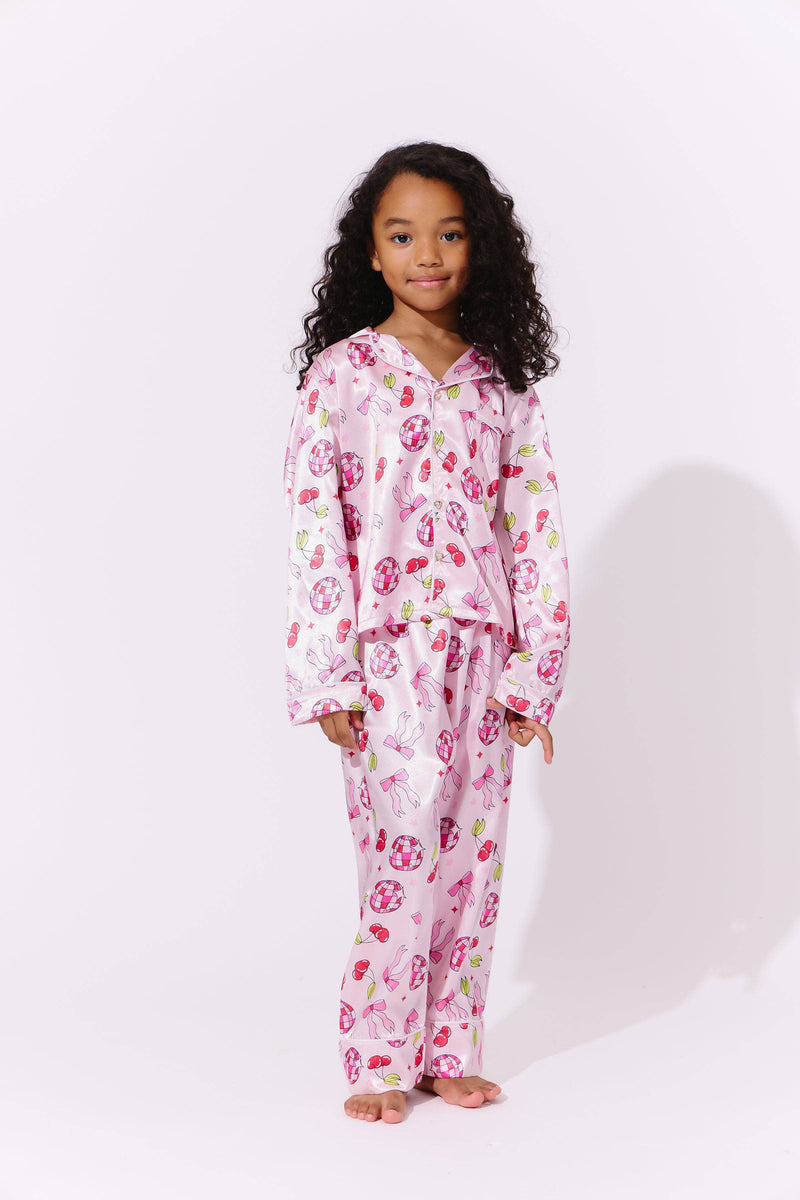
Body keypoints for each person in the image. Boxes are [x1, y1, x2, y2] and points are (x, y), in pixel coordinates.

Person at [282, 141, 571, 1124]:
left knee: (473, 859)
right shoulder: (342, 378)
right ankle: (379, 1052)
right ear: (370, 252)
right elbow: (315, 527)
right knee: (401, 845)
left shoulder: (501, 384)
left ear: (477, 246)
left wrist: (533, 674)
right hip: (387, 651)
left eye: (448, 234)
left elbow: (533, 527)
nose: (427, 255)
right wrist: (329, 674)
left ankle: (450, 1047)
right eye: (402, 236)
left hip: (482, 652)